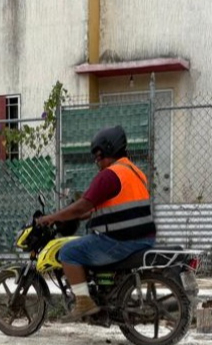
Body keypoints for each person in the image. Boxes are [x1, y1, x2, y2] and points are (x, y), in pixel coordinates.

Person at [38, 125, 156, 320]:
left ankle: (84, 303)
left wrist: (52, 217)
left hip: (119, 241)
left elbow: (82, 205)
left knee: (69, 251)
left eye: (98, 156)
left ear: (108, 151)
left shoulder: (110, 174)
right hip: (142, 239)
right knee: (85, 245)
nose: (97, 162)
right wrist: (83, 214)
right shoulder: (135, 173)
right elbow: (109, 206)